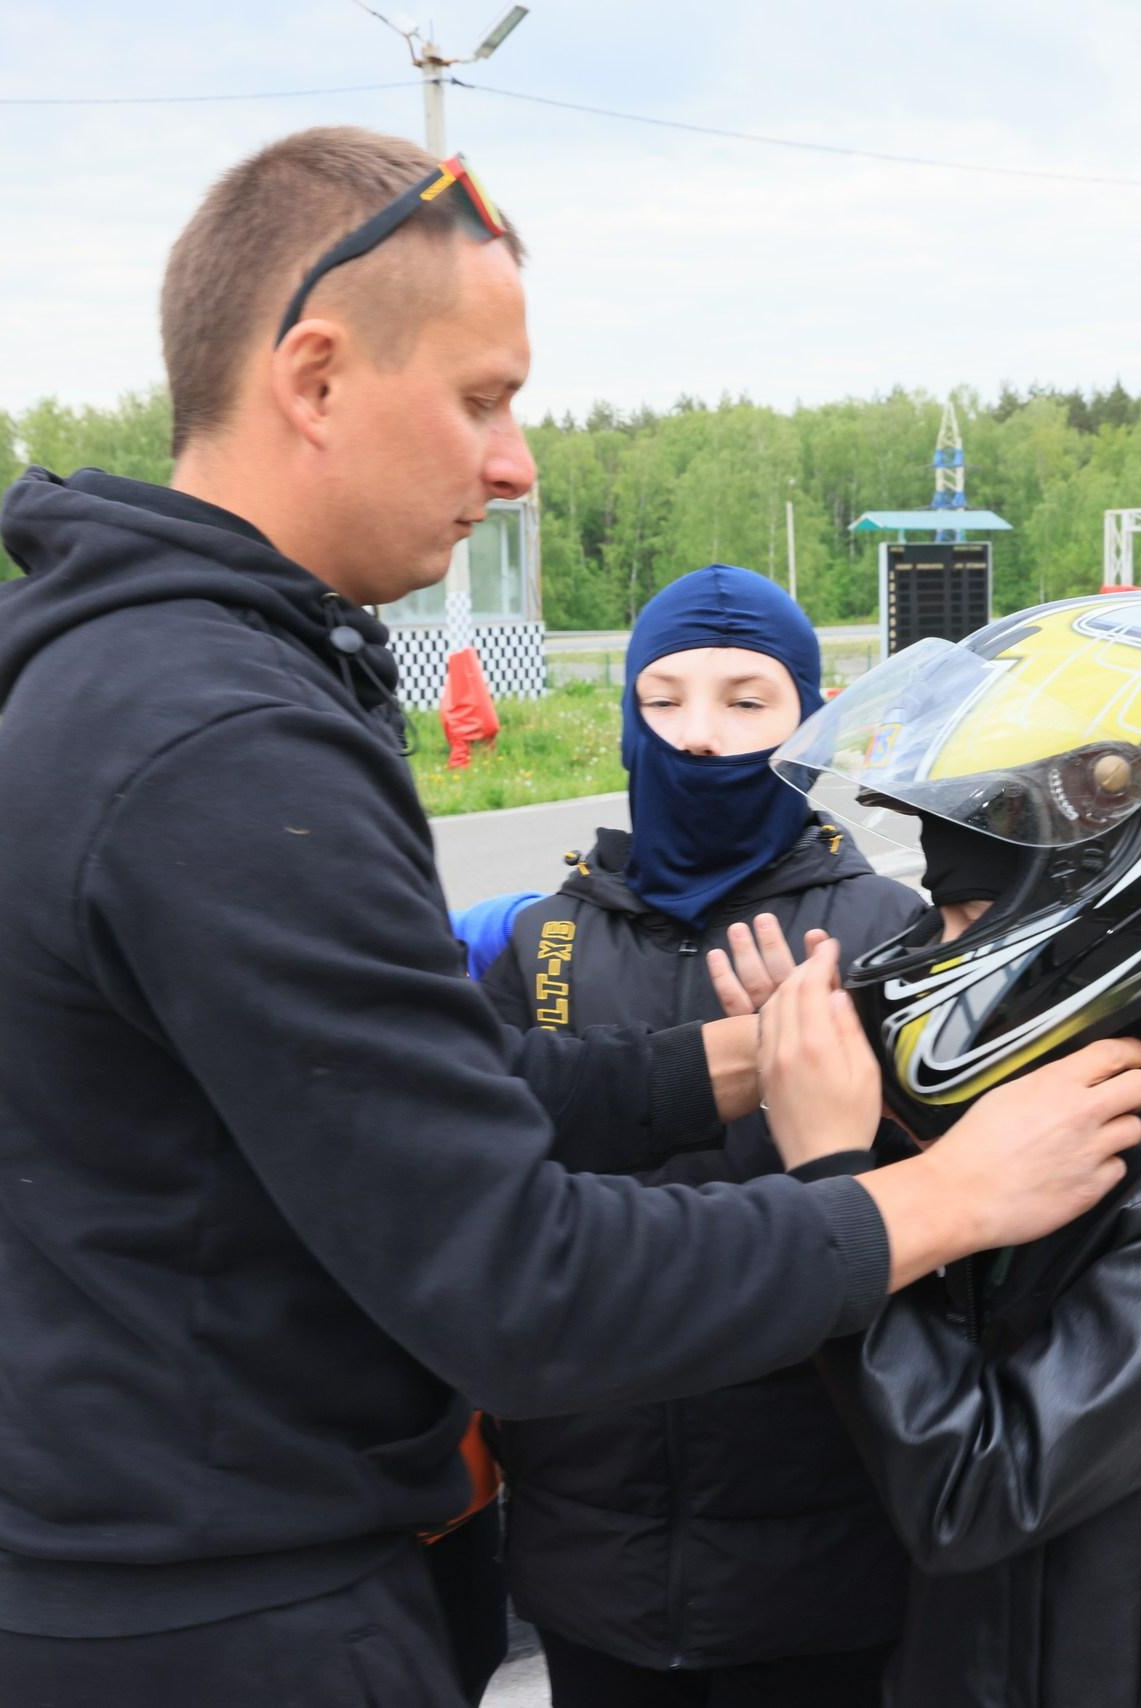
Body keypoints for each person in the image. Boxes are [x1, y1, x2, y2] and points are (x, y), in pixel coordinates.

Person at [0, 125, 1141, 1708]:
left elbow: (426, 1092)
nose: (516, 466)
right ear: (314, 379)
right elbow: (518, 1280)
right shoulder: (222, 743)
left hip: (184, 1562)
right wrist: (942, 1200)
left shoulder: (186, 679)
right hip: (214, 1609)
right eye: (481, 400)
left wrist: (728, 1064)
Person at [763, 583, 1141, 1707]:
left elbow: (973, 1486)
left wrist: (838, 1183)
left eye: (965, 918)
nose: (934, 944)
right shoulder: (1058, 1109)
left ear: (1129, 901)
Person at [478, 564, 921, 1706]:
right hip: (593, 1558)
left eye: (746, 701)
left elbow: (948, 1207)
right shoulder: (545, 941)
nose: (701, 737)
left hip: (831, 1556)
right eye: (664, 700)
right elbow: (481, 1193)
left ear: (807, 721)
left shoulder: (885, 931)